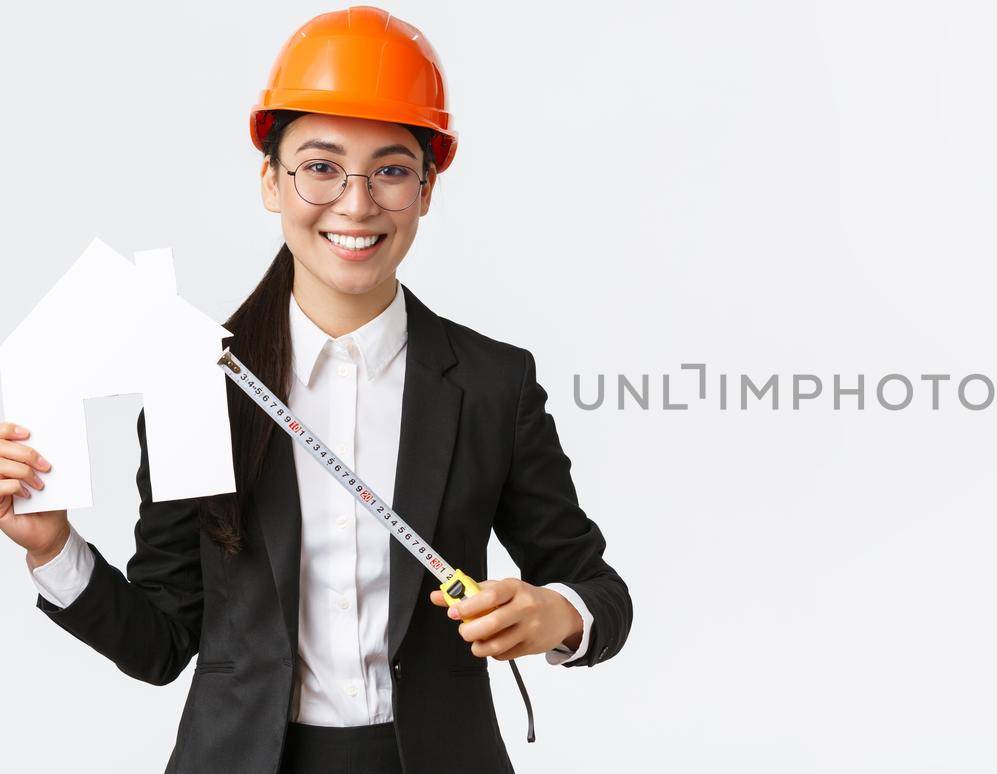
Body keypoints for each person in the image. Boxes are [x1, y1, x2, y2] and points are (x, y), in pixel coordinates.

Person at [0, 7, 631, 773]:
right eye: (320, 166)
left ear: (427, 190)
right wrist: (52, 547)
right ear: (271, 179)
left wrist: (557, 613)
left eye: (392, 169)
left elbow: (598, 587)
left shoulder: (493, 385)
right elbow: (165, 643)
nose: (357, 204)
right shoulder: (195, 386)